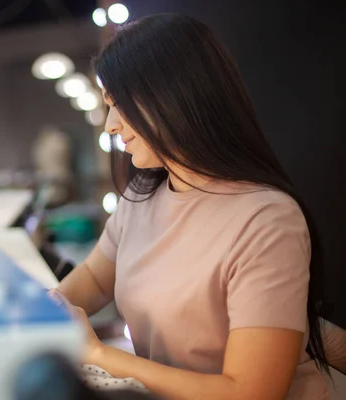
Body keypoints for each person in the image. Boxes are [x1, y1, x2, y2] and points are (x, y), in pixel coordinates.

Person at [54, 13, 331, 400]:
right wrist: (47, 310)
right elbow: (98, 279)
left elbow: (251, 392)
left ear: (172, 97)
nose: (110, 126)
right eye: (108, 105)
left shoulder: (266, 219)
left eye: (119, 105)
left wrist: (100, 355)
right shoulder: (142, 197)